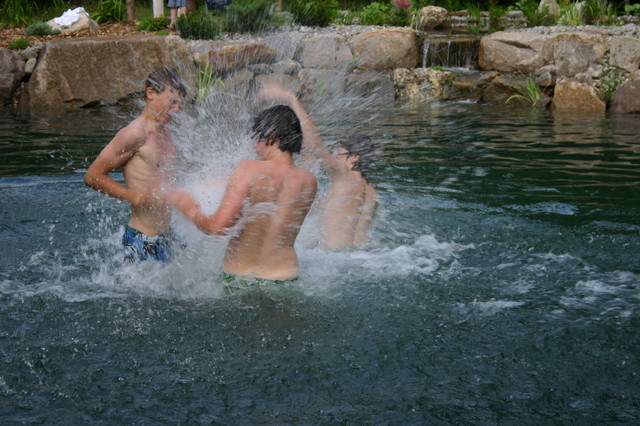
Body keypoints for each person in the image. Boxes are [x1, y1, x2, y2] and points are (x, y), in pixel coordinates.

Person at [168, 102, 317, 282]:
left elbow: (218, 227)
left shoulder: (249, 169)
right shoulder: (309, 181)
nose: (254, 146)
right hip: (287, 278)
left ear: (270, 135)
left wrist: (189, 208)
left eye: (256, 138)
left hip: (241, 280)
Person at [84, 66, 187, 262]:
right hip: (142, 239)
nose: (177, 110)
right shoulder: (135, 133)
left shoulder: (166, 134)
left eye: (180, 104)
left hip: (168, 235)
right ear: (151, 93)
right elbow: (92, 176)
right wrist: (135, 197)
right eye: (172, 102)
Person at [258, 84, 377, 249]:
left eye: (337, 152)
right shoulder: (370, 191)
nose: (333, 156)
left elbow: (315, 146)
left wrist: (292, 99)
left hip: (331, 259)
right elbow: (338, 215)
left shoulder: (345, 173)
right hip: (360, 257)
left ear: (355, 158)